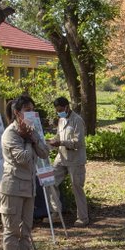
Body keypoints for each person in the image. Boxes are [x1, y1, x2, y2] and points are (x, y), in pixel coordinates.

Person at [0, 95, 51, 250]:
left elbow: (44, 152)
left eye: (32, 109)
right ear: (17, 112)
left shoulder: (31, 130)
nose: (31, 113)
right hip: (12, 187)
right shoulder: (10, 134)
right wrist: (29, 140)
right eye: (27, 110)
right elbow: (23, 158)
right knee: (12, 230)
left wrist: (32, 137)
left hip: (29, 187)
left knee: (26, 229)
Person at [47, 97, 89, 226]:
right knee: (50, 181)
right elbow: (59, 136)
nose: (59, 112)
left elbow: (78, 142)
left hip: (76, 159)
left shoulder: (77, 120)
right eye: (57, 110)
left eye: (60, 110)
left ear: (67, 107)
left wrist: (61, 142)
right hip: (61, 158)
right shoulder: (61, 120)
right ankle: (56, 213)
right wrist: (51, 141)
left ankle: (83, 218)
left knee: (77, 188)